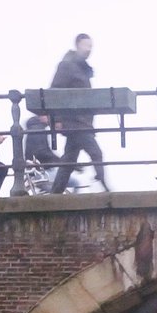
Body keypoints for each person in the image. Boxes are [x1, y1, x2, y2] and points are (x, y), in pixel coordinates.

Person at [49, 33, 108, 194]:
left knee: (69, 160)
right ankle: (105, 188)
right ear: (77, 45)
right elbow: (54, 92)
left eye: (91, 46)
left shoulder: (81, 69)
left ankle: (55, 194)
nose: (89, 49)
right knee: (96, 153)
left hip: (81, 122)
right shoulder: (68, 66)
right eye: (86, 45)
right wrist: (58, 119)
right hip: (75, 122)